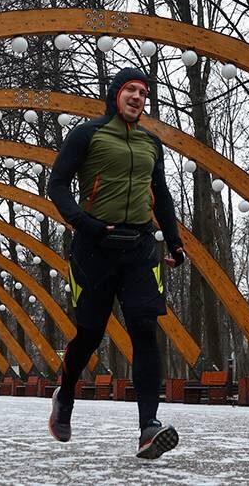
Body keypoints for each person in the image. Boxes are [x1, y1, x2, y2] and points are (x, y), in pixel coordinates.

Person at [46, 67, 188, 459]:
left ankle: (148, 428)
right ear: (115, 95)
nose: (138, 97)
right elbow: (56, 185)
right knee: (90, 334)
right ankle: (66, 396)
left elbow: (161, 195)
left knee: (144, 329)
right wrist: (85, 224)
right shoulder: (88, 134)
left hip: (140, 247)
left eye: (144, 92)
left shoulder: (150, 143)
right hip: (94, 248)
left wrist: (174, 243)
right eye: (131, 90)